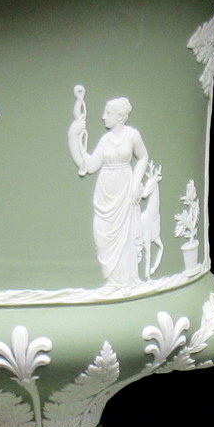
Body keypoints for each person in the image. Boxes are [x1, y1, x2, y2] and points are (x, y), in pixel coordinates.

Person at [69, 92, 152, 289]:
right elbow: (89, 165)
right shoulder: (105, 140)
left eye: (108, 113)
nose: (103, 117)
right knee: (102, 236)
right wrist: (73, 137)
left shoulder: (132, 135)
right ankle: (113, 282)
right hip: (105, 193)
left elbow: (143, 157)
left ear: (121, 117)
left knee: (126, 236)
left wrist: (135, 185)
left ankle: (126, 282)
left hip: (125, 189)